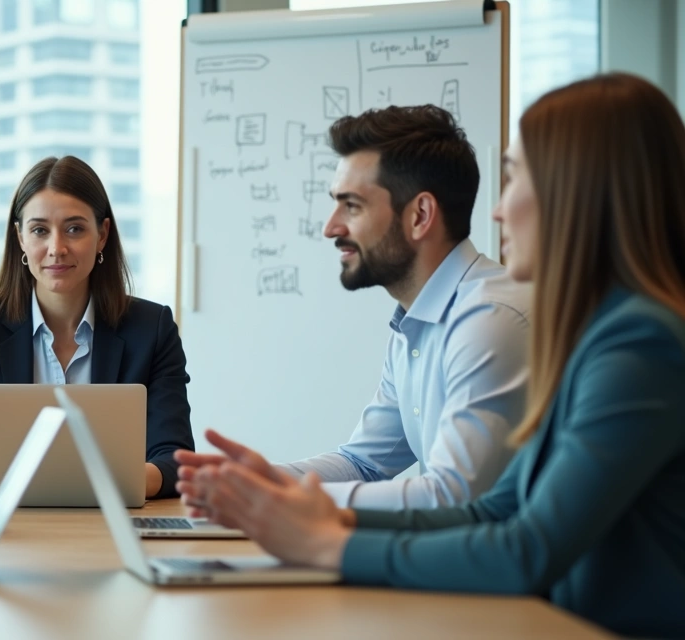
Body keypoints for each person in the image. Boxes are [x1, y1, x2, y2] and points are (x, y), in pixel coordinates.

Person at [177, 73, 685, 639]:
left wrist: (329, 543)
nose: (495, 212)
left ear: (579, 193)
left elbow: (525, 549)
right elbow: (494, 510)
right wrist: (301, 503)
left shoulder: (637, 345)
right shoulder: (598, 333)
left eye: (515, 177)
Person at [273, 105, 531, 509]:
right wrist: (255, 476)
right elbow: (364, 463)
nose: (330, 227)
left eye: (352, 206)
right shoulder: (416, 323)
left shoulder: (489, 318)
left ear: (420, 216)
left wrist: (283, 497)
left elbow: (453, 496)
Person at [0, 156, 194, 499]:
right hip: (0, 528)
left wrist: (109, 483)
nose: (56, 249)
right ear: (20, 237)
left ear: (103, 234)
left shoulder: (152, 330)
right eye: (39, 230)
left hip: (115, 526)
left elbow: (175, 461)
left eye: (75, 229)